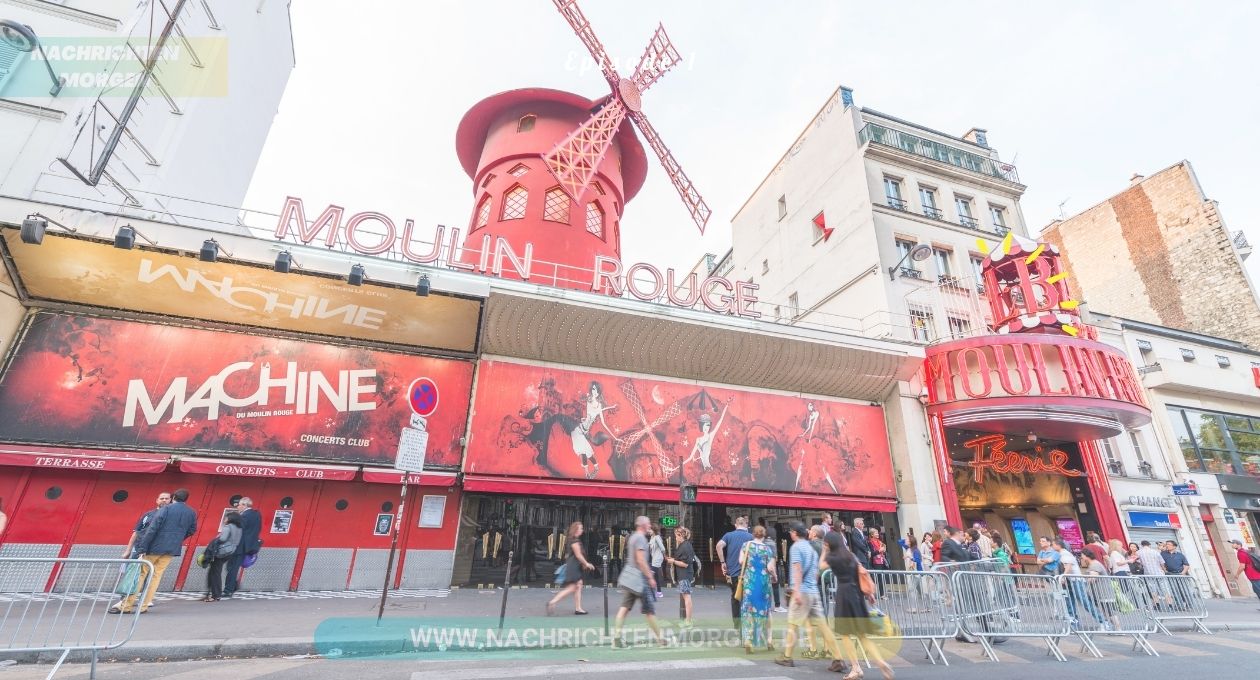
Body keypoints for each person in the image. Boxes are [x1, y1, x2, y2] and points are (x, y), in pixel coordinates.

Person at [111, 488, 198, 614]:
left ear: (173, 498)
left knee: (140, 575)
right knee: (156, 576)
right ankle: (144, 606)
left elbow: (152, 529)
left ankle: (126, 606)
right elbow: (192, 530)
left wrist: (143, 547)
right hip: (170, 550)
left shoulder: (166, 509)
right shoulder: (191, 512)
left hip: (153, 548)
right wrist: (177, 539)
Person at [775, 522, 844, 671]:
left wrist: (797, 591)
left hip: (803, 591)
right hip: (813, 591)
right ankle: (838, 658)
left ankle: (787, 656)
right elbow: (816, 571)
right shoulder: (811, 548)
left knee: (793, 624)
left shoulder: (796, 548)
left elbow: (797, 570)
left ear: (794, 533)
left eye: (791, 532)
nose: (790, 534)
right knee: (824, 626)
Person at [825, 532, 893, 680]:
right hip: (857, 593)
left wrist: (825, 550)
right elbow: (861, 572)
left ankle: (855, 667)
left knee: (844, 633)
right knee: (862, 635)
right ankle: (881, 662)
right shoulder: (851, 556)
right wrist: (869, 593)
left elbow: (821, 566)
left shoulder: (832, 557)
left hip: (844, 594)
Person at [612, 516, 663, 647]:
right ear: (643, 525)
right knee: (649, 610)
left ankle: (617, 638)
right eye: (648, 524)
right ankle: (660, 639)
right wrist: (650, 577)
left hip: (630, 579)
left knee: (624, 608)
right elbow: (640, 560)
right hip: (640, 579)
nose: (650, 526)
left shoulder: (633, 537)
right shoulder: (640, 538)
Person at [738, 525, 775, 653]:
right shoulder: (767, 549)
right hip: (764, 582)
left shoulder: (746, 545)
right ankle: (769, 640)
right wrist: (774, 576)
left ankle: (748, 639)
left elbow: (741, 561)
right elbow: (770, 568)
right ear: (764, 535)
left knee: (749, 609)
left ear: (753, 534)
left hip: (750, 582)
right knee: (765, 610)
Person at [548, 521, 595, 616]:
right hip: (574, 567)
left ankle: (578, 608)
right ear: (576, 530)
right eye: (581, 528)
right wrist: (586, 563)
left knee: (578, 586)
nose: (582, 530)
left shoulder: (574, 540)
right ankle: (552, 602)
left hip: (574, 566)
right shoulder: (574, 541)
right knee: (573, 587)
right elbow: (578, 555)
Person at [718, 516, 754, 629]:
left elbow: (719, 546)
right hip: (747, 573)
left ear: (735, 525)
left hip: (732, 572)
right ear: (745, 525)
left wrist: (722, 562)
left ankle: (737, 624)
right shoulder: (751, 537)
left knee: (735, 598)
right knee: (747, 598)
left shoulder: (728, 535)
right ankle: (747, 624)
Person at [223, 496, 262, 598]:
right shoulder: (256, 514)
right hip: (248, 546)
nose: (237, 506)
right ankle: (233, 585)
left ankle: (228, 590)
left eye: (239, 504)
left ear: (245, 505)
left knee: (232, 568)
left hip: (239, 546)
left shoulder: (245, 516)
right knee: (232, 567)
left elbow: (239, 530)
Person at [203, 512, 242, 602]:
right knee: (215, 572)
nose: (224, 520)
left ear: (230, 519)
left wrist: (215, 540)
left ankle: (215, 595)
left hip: (221, 552)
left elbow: (223, 539)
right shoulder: (239, 528)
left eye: (226, 518)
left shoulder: (228, 527)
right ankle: (213, 593)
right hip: (230, 552)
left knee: (215, 573)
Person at [123, 491, 171, 559]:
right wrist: (128, 551)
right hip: (139, 550)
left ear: (171, 500)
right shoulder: (148, 515)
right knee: (131, 569)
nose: (164, 500)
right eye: (162, 498)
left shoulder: (172, 517)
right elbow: (136, 533)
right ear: (157, 500)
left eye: (166, 498)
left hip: (158, 552)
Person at [668, 527, 697, 627]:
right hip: (683, 574)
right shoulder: (685, 545)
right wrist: (673, 560)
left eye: (676, 536)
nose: (675, 538)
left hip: (684, 574)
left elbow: (685, 564)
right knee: (686, 596)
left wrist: (673, 561)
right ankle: (687, 621)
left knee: (687, 596)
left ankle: (688, 621)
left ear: (681, 535)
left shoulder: (685, 546)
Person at [758, 518, 785, 613]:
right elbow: (773, 559)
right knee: (775, 585)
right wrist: (774, 574)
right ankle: (777, 605)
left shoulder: (760, 543)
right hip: (770, 567)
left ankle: (764, 605)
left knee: (763, 586)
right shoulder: (772, 544)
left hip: (761, 568)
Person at [1231, 539, 1260, 603]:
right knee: (1256, 590)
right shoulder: (1245, 551)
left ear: (1238, 545)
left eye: (1233, 543)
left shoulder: (1241, 553)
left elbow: (1242, 566)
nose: (1232, 545)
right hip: (1256, 573)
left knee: (1258, 590)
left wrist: (1237, 574)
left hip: (1253, 575)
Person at [648, 525, 666, 598]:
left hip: (658, 558)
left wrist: (665, 556)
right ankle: (659, 592)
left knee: (650, 575)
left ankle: (649, 592)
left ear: (654, 530)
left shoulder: (657, 537)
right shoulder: (652, 538)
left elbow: (662, 548)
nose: (649, 531)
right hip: (654, 558)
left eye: (650, 530)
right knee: (656, 576)